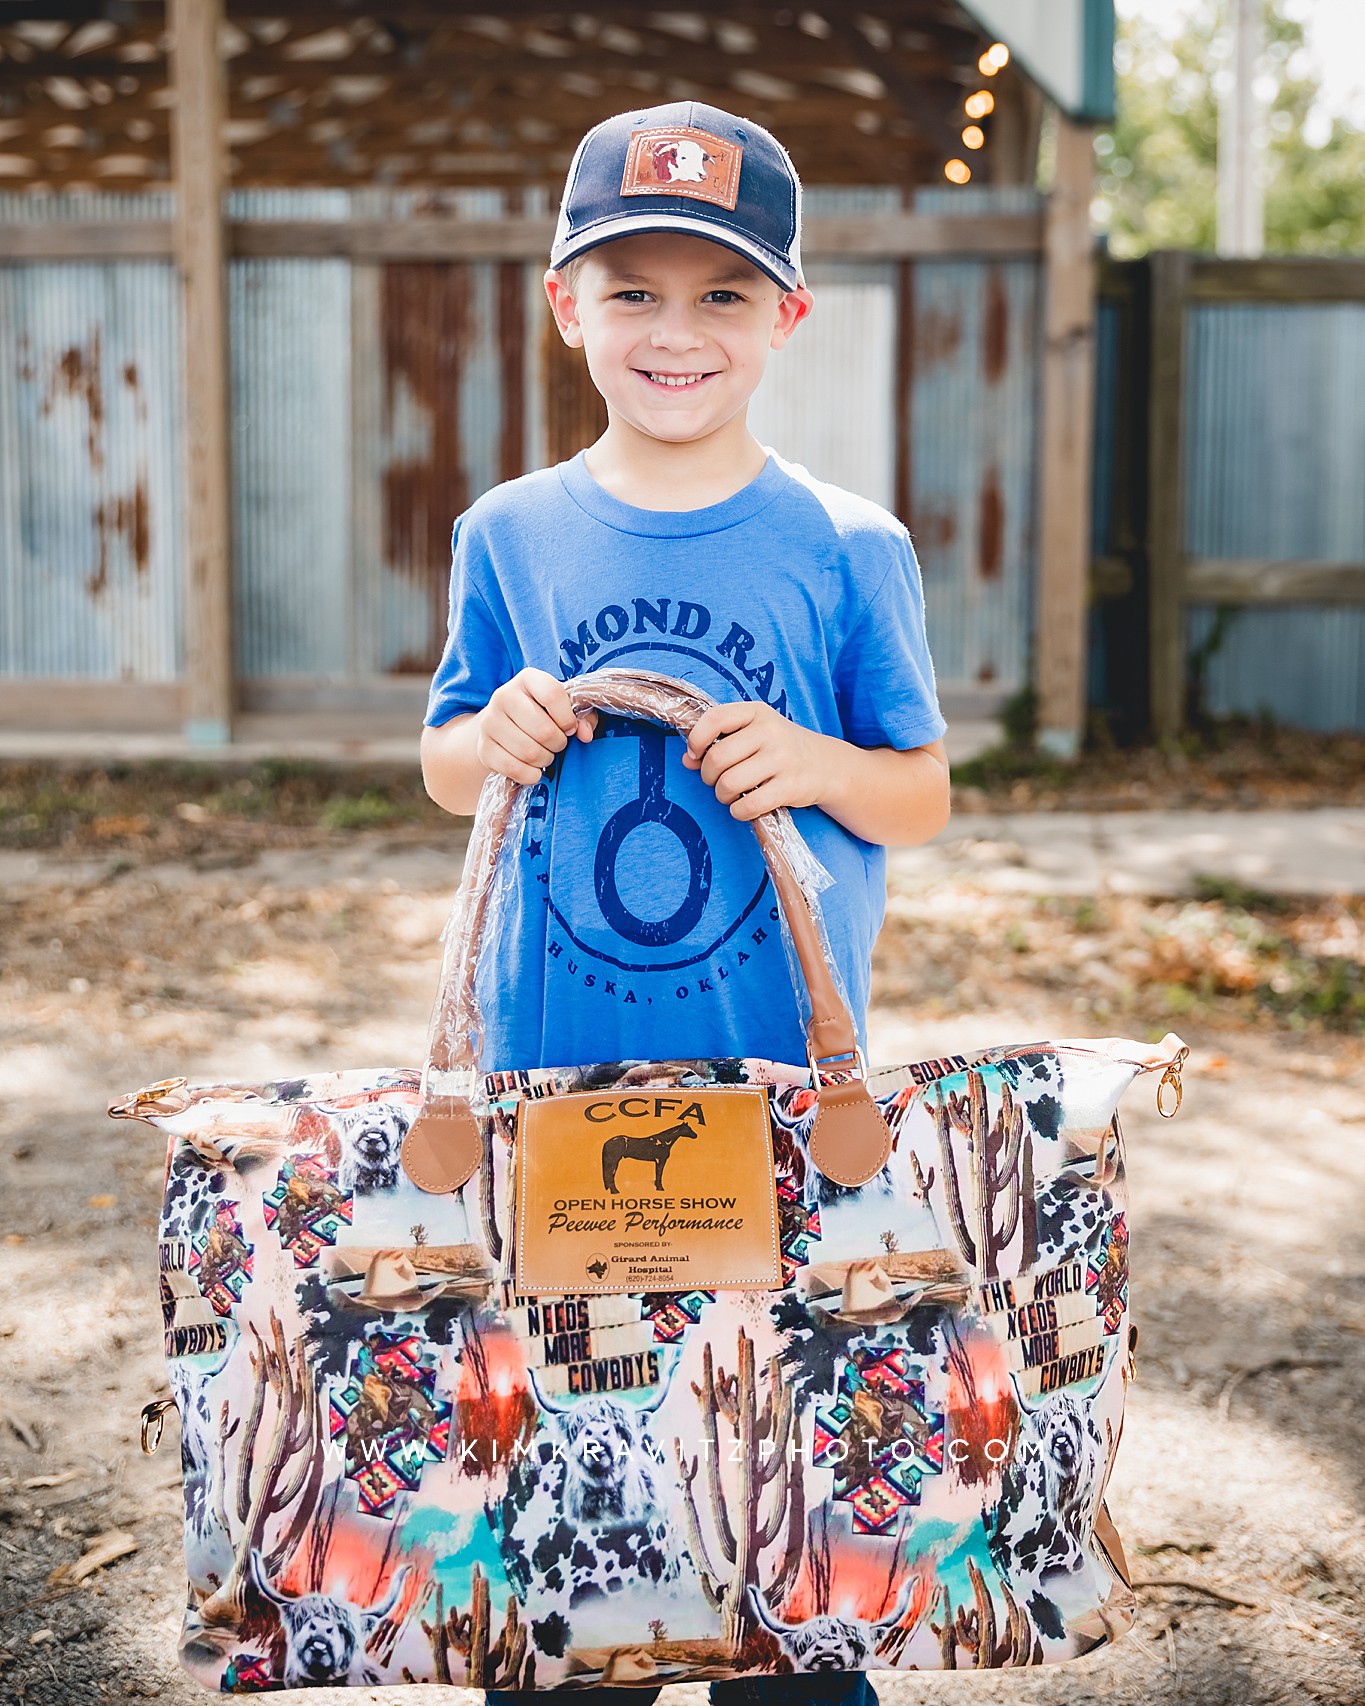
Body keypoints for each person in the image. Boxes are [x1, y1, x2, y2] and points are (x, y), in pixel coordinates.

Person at [421, 100, 950, 1706]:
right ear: (560, 303)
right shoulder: (506, 534)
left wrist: (808, 757)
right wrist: (485, 733)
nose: (674, 330)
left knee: (780, 1556)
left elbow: (916, 794)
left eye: (721, 292)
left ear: (786, 316)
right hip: (549, 1093)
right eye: (632, 288)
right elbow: (452, 763)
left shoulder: (848, 547)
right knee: (576, 1573)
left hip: (777, 1094)